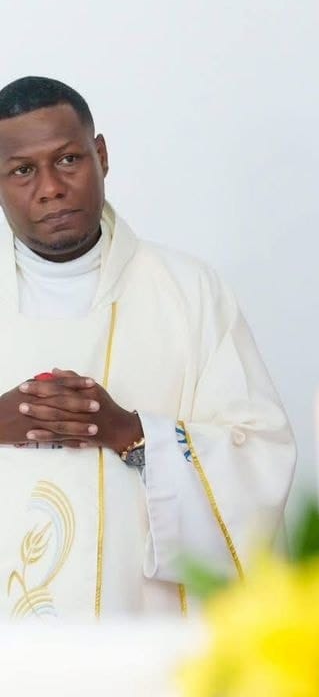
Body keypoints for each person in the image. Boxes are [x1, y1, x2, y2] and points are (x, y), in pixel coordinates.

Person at [0, 76, 294, 617]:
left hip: (148, 639)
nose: (50, 188)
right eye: (22, 170)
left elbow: (260, 461)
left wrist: (131, 434)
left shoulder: (189, 292)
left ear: (101, 155)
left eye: (68, 160)